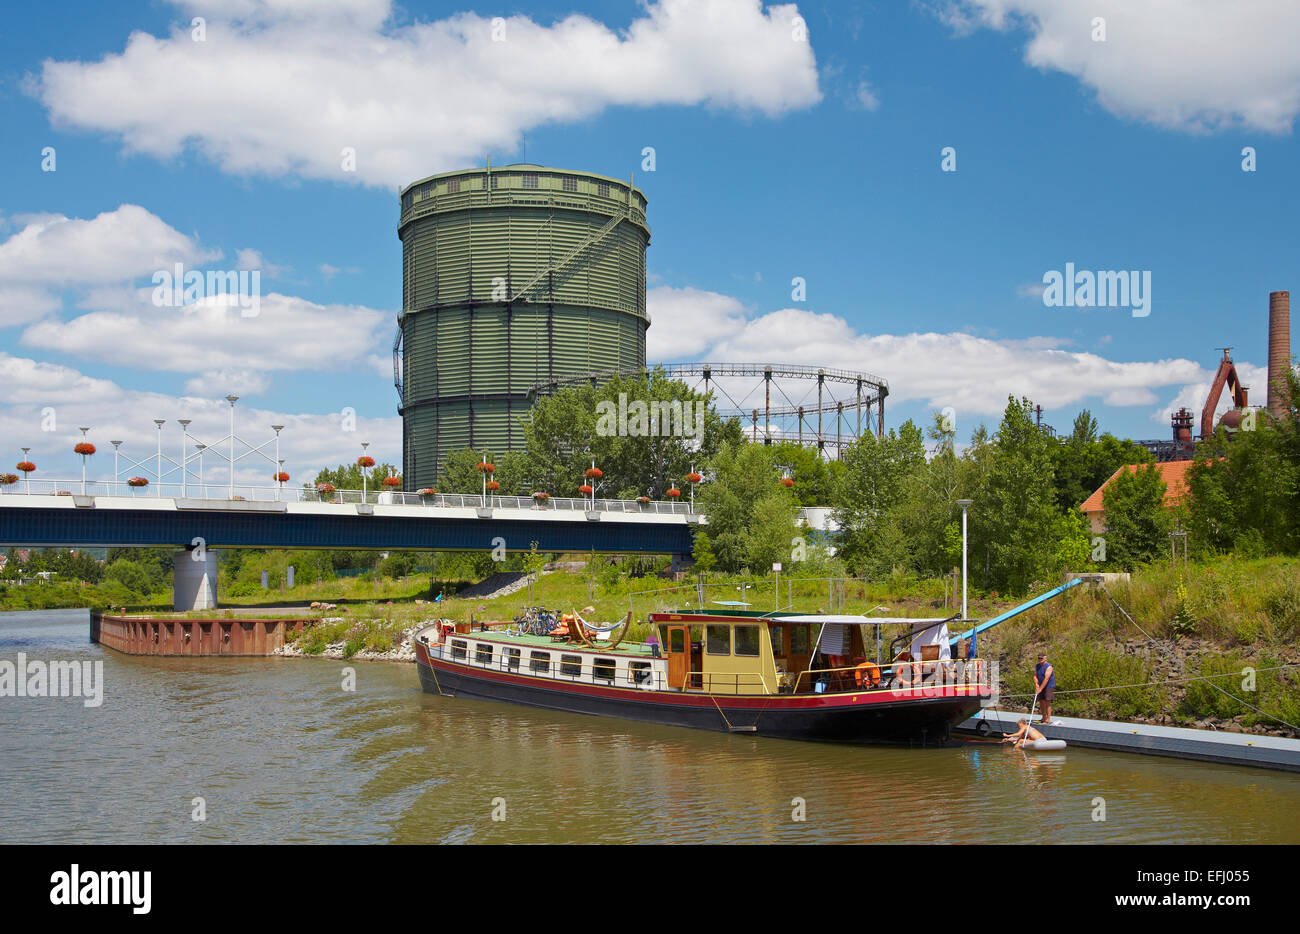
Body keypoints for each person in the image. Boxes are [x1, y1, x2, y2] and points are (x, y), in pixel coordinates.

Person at [1034, 652, 1056, 724]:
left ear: (1045, 658)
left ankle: (1048, 719)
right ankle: (1043, 717)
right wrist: (1037, 685)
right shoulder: (1037, 666)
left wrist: (1040, 689)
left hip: (1048, 686)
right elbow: (1035, 676)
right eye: (1039, 658)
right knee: (1041, 701)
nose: (1040, 659)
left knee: (1047, 701)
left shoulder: (1049, 666)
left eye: (1041, 658)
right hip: (1040, 685)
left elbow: (1046, 679)